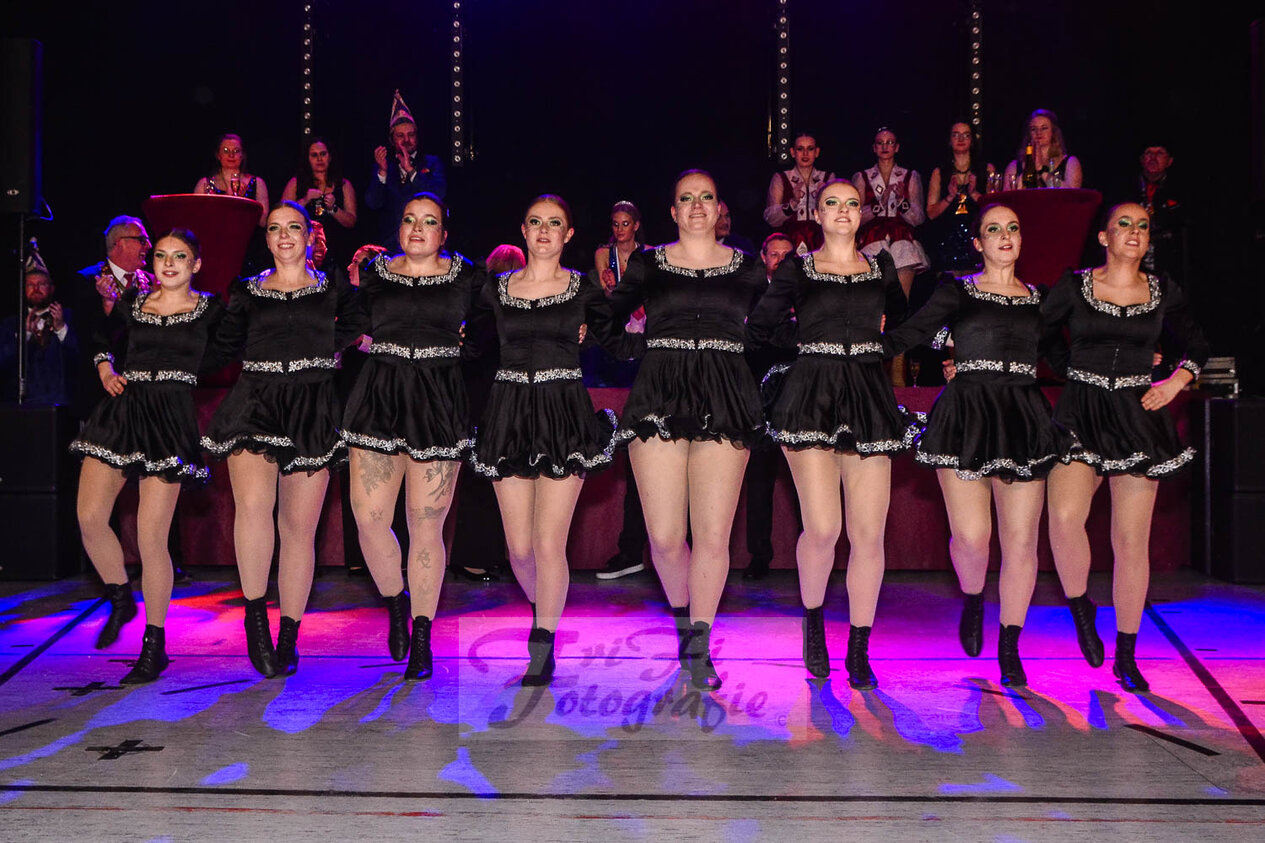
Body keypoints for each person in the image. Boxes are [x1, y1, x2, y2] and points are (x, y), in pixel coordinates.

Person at [883, 204, 1069, 687]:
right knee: (971, 536)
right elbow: (915, 331)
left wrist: (1128, 361)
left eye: (1013, 228)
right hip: (966, 415)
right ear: (978, 243)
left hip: (1024, 419)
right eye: (993, 229)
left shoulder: (1040, 300)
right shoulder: (958, 291)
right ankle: (972, 595)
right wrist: (862, 343)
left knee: (1021, 542)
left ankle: (1009, 644)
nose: (1005, 236)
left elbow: (1064, 358)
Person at [747, 183, 915, 687]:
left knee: (868, 534)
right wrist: (807, 342)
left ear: (862, 214)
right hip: (810, 397)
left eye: (851, 203)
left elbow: (902, 325)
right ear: (816, 214)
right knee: (822, 528)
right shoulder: (798, 268)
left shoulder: (880, 267)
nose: (843, 211)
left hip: (868, 398)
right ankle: (814, 621)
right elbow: (761, 326)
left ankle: (859, 647)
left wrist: (877, 347)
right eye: (832, 204)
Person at [468, 195, 637, 686]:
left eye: (555, 223)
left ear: (569, 235)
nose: (544, 230)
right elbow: (459, 330)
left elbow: (619, 341)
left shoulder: (583, 289)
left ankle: (541, 641)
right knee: (520, 550)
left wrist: (674, 336)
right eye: (536, 222)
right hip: (508, 416)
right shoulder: (496, 289)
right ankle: (546, 609)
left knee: (548, 543)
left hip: (563, 417)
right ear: (523, 230)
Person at [610, 170, 768, 691]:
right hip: (659, 392)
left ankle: (699, 642)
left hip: (725, 396)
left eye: (706, 197)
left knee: (713, 535)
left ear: (719, 209)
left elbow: (772, 328)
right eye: (686, 198)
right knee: (663, 536)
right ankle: (684, 621)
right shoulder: (648, 264)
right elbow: (606, 319)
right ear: (673, 212)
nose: (697, 205)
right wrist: (643, 349)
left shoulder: (748, 269)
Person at [1041, 202, 1208, 693]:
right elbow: (1039, 334)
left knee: (1131, 541)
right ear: (1104, 237)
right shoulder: (1075, 286)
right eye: (1124, 224)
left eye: (1143, 226)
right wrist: (1068, 367)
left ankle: (1127, 655)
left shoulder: (1162, 290)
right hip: (1080, 410)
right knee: (1064, 519)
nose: (1134, 232)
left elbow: (1197, 346)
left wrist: (1175, 382)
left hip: (1136, 416)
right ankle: (1080, 605)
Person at [201, 202, 366, 677]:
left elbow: (357, 323)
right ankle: (255, 618)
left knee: (298, 528)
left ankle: (289, 634)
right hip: (255, 403)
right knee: (253, 508)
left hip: (312, 408)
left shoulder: (331, 286)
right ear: (268, 239)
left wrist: (323, 351)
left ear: (310, 236)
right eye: (275, 229)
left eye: (293, 227)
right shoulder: (247, 290)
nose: (285, 235)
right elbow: (221, 348)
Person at [70, 229, 225, 684]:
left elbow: (239, 345)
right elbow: (99, 334)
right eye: (161, 255)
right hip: (122, 412)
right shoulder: (134, 303)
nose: (169, 263)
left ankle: (154, 645)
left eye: (180, 256)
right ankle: (120, 594)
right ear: (152, 262)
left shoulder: (211, 310)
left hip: (169, 421)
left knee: (151, 538)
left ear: (196, 265)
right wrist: (104, 366)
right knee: (89, 517)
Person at [340, 194, 476, 681]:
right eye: (409, 220)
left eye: (429, 221)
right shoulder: (374, 273)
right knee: (369, 518)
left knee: (425, 526)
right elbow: (347, 324)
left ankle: (422, 634)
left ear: (444, 233)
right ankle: (396, 601)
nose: (417, 228)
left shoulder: (467, 276)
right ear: (399, 228)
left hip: (438, 403)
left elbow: (497, 326)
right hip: (379, 398)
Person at [446, 245, 522, 583]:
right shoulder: (495, 303)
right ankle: (476, 558)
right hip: (490, 397)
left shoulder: (478, 301)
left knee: (487, 477)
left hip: (480, 396)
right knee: (487, 477)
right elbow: (477, 350)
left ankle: (483, 556)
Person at [591, 200, 648, 581]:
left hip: (647, 346)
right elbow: (606, 299)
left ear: (636, 225)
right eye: (615, 223)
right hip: (615, 344)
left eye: (626, 223)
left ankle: (660, 552)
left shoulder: (651, 257)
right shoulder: (604, 254)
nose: (620, 229)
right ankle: (630, 551)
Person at [741, 232, 797, 583]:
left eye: (786, 255)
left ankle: (813, 555)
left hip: (799, 398)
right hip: (760, 398)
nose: (779, 261)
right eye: (774, 254)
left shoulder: (805, 291)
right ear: (763, 257)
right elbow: (752, 340)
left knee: (805, 483)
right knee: (759, 481)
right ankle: (759, 556)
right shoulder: (750, 294)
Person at [70, 217, 154, 418]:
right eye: (141, 240)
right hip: (102, 392)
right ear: (119, 243)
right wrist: (107, 306)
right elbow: (86, 337)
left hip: (145, 392)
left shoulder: (153, 282)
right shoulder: (88, 279)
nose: (149, 246)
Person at [852, 127, 929, 302]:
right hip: (872, 238)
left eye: (890, 142)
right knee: (875, 299)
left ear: (897, 147)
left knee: (901, 299)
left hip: (902, 238)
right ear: (874, 148)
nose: (885, 146)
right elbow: (855, 217)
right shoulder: (862, 177)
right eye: (880, 143)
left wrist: (902, 201)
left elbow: (919, 218)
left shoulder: (910, 176)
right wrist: (879, 204)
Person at [365, 90, 446, 252]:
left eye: (411, 135)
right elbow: (373, 203)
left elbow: (439, 194)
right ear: (392, 140)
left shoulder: (432, 162)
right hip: (391, 245)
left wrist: (410, 170)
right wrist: (382, 173)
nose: (406, 140)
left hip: (425, 242)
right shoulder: (386, 165)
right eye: (400, 136)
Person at [0, 247, 78, 405]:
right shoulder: (10, 324)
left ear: (51, 288)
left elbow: (78, 358)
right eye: (30, 285)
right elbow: (4, 363)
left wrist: (61, 329)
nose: (36, 289)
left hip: (61, 405)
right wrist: (24, 336)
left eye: (41, 284)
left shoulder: (69, 317)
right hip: (21, 406)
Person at [282, 137, 358, 268]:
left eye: (323, 154)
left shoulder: (343, 185)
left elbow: (351, 221)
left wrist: (333, 209)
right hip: (304, 251)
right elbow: (282, 214)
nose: (319, 159)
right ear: (307, 159)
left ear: (330, 157)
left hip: (337, 252)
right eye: (314, 155)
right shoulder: (296, 183)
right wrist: (305, 200)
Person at [925, 122, 989, 276]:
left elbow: (994, 209)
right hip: (947, 242)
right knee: (950, 288)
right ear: (949, 140)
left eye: (966, 135)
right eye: (956, 135)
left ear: (972, 140)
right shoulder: (940, 172)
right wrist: (949, 197)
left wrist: (974, 194)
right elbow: (931, 213)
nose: (961, 139)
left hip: (978, 240)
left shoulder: (985, 169)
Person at [763, 131, 836, 254]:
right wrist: (792, 203)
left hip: (821, 240)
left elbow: (835, 216)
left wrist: (824, 199)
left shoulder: (827, 177)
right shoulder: (781, 177)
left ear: (817, 152)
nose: (805, 154)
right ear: (792, 152)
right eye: (800, 149)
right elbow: (770, 217)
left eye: (810, 149)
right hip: (789, 242)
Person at [194, 133, 270, 224]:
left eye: (236, 151)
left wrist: (243, 203)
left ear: (242, 155)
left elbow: (263, 222)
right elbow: (197, 218)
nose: (231, 155)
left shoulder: (257, 183)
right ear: (218, 155)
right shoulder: (204, 184)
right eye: (226, 151)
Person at [1134, 143, 1185, 277]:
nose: (1153, 158)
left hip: (1170, 264)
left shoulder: (1181, 190)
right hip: (1135, 259)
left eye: (1160, 153)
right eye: (1149, 153)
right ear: (1142, 160)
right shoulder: (1127, 188)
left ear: (1169, 161)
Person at [1002, 109, 1083, 189]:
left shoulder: (1070, 162)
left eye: (1044, 128)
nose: (1038, 132)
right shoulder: (1014, 166)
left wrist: (1042, 170)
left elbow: (1072, 193)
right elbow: (1009, 194)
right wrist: (1029, 168)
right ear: (1029, 134)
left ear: (1053, 132)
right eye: (1033, 129)